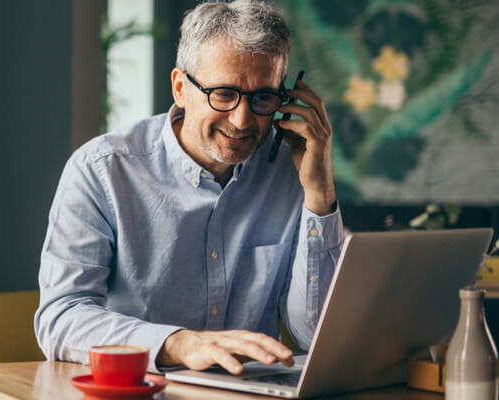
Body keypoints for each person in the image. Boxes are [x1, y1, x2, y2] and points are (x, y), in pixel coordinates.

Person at [34, 0, 344, 375]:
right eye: (224, 94)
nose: (242, 120)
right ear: (180, 88)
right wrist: (178, 343)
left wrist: (319, 196)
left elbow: (315, 334)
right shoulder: (103, 169)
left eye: (263, 97)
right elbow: (61, 317)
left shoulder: (293, 171)